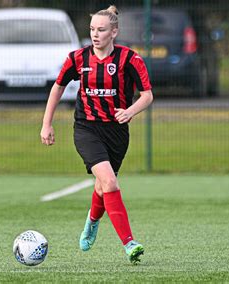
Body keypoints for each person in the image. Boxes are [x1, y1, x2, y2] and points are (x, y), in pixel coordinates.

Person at [40, 5, 153, 264]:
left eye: (101, 30)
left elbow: (147, 95)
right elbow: (57, 88)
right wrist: (46, 124)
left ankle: (92, 221)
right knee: (110, 182)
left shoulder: (129, 59)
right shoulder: (77, 58)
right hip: (86, 129)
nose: (95, 34)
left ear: (114, 32)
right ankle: (129, 243)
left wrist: (130, 111)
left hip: (116, 132)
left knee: (103, 186)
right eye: (92, 29)